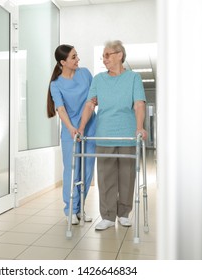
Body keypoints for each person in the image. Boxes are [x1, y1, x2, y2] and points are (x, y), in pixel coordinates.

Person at [78, 40, 147, 231]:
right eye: (103, 55)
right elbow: (90, 104)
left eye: (108, 54)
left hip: (127, 134)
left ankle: (124, 213)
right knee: (106, 176)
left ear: (119, 55)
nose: (104, 58)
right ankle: (107, 216)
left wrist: (139, 127)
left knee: (126, 176)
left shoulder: (133, 78)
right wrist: (81, 127)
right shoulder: (99, 79)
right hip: (105, 134)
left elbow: (139, 104)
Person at [47, 44, 97, 225]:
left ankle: (80, 210)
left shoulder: (85, 74)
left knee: (87, 171)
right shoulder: (56, 84)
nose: (78, 60)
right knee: (72, 171)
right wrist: (70, 128)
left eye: (77, 56)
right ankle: (70, 210)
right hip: (70, 131)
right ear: (63, 62)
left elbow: (94, 98)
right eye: (74, 57)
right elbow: (60, 109)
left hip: (90, 127)